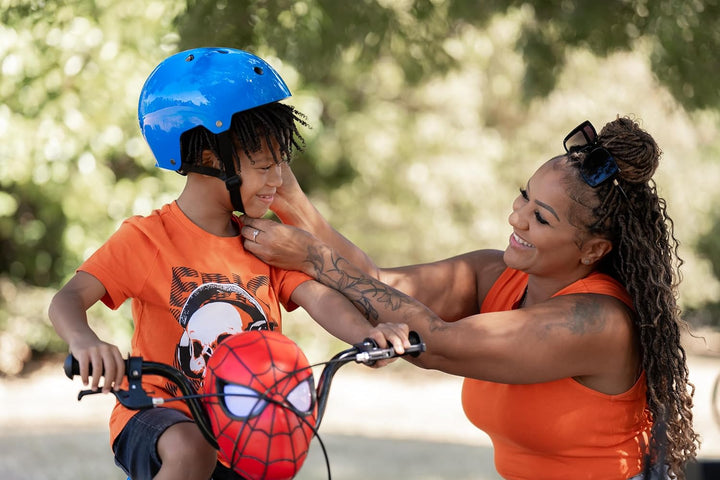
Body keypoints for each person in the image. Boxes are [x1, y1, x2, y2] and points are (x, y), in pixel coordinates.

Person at [241, 116, 699, 479]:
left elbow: (437, 343)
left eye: (540, 217)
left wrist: (316, 260)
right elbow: (376, 283)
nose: (515, 218)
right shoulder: (497, 274)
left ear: (594, 249)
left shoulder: (598, 322)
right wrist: (286, 193)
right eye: (524, 197)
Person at [48, 47, 410, 480]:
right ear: (207, 160)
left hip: (248, 424)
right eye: (264, 165)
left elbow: (319, 298)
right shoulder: (147, 239)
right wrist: (85, 342)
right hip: (158, 414)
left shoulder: (266, 243)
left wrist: (368, 335)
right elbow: (68, 299)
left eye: (282, 163)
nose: (279, 180)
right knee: (191, 450)